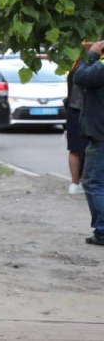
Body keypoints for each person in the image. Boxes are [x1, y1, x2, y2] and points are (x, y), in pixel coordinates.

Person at [74, 39, 104, 246]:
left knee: (93, 182)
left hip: (101, 135)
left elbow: (80, 77)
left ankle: (102, 231)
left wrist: (92, 54)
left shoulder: (100, 66)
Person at [67, 42, 92, 195]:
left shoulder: (73, 67)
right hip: (84, 110)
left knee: (75, 148)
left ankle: (75, 183)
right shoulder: (86, 69)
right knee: (85, 149)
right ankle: (80, 182)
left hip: (73, 110)